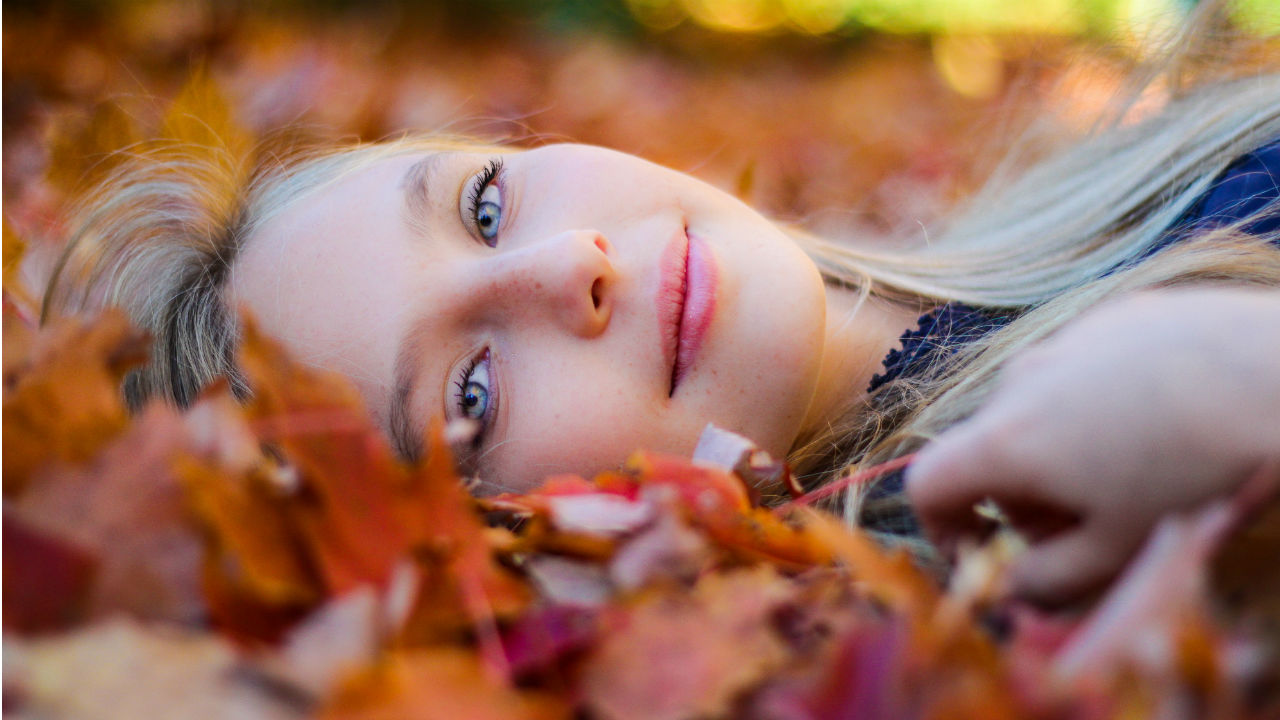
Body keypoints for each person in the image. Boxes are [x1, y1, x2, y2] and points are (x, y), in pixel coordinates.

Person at [41, 55, 1280, 609]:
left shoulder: (1133, 166)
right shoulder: (1033, 556)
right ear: (528, 539)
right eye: (469, 391)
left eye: (484, 204)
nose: (565, 270)